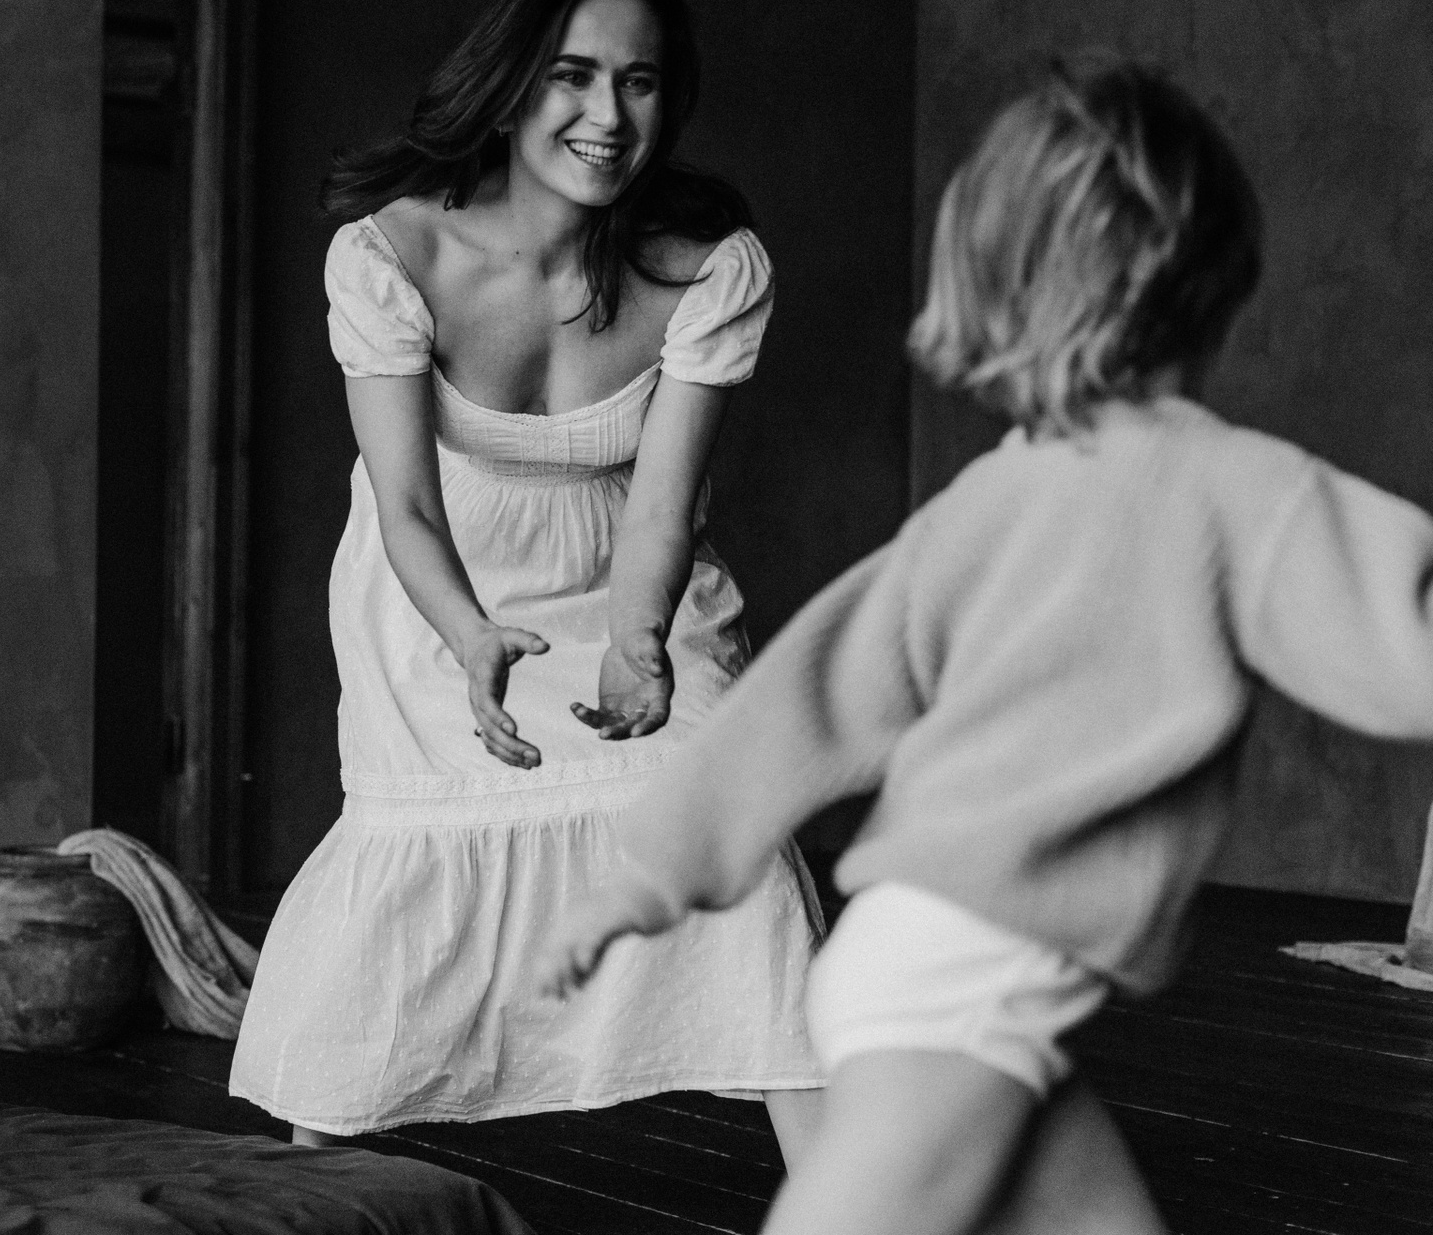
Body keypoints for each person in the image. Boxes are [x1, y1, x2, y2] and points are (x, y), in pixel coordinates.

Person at [536, 63, 1433, 1235]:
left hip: (910, 957)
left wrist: (646, 873)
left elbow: (806, 698)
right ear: (1215, 274)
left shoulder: (988, 500)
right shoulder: (1240, 490)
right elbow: (1407, 651)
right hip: (976, 982)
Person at [228, 0, 827, 1162]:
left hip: (630, 580)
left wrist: (641, 640)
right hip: (436, 589)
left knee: (732, 839)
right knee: (413, 868)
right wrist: (470, 637)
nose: (608, 115)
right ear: (510, 90)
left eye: (639, 82)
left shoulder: (707, 270)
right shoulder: (394, 254)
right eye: (573, 76)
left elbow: (663, 508)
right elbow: (405, 502)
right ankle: (309, 1191)